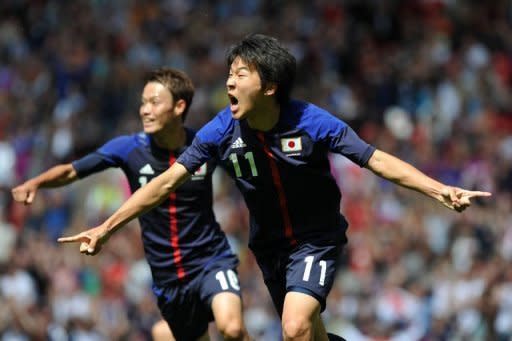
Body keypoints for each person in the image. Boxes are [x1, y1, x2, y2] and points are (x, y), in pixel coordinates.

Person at [56, 35, 491, 341]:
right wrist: (107, 227)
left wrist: (440, 190)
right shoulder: (221, 129)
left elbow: (375, 159)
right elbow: (168, 181)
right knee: (308, 333)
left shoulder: (312, 122)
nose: (228, 82)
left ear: (269, 85)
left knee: (295, 327)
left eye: (240, 73)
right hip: (268, 248)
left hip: (315, 241)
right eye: (229, 73)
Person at [11, 67, 250, 341]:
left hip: (210, 259)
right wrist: (36, 183)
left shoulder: (204, 144)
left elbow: (247, 177)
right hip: (168, 275)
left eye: (154, 102)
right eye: (143, 103)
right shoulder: (129, 148)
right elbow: (71, 170)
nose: (145, 110)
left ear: (179, 106)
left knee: (231, 328)